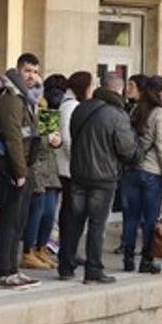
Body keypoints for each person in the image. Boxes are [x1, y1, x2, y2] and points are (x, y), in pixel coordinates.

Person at [60, 73, 138, 283]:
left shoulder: (80, 109)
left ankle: (65, 266)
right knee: (97, 224)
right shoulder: (117, 114)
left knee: (74, 221)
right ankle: (93, 269)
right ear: (119, 90)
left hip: (78, 173)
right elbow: (126, 149)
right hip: (103, 177)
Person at [0, 53, 44, 290]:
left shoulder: (26, 97)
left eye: (35, 71)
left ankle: (13, 269)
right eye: (27, 71)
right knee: (9, 220)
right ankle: (4, 272)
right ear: (18, 70)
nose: (32, 76)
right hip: (9, 166)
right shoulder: (11, 98)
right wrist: (20, 173)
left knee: (19, 220)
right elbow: (13, 137)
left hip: (23, 165)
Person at [119, 75, 162, 274]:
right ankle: (146, 259)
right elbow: (161, 145)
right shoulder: (160, 113)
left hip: (131, 170)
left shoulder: (135, 109)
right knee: (150, 218)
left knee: (130, 217)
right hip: (152, 171)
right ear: (159, 92)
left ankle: (128, 258)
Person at [21, 74, 64, 271]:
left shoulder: (45, 108)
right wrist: (49, 140)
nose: (38, 91)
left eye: (40, 86)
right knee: (36, 212)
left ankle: (41, 248)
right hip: (35, 167)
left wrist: (57, 140)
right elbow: (28, 139)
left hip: (50, 167)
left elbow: (52, 136)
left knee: (48, 213)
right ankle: (28, 251)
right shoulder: (24, 107)